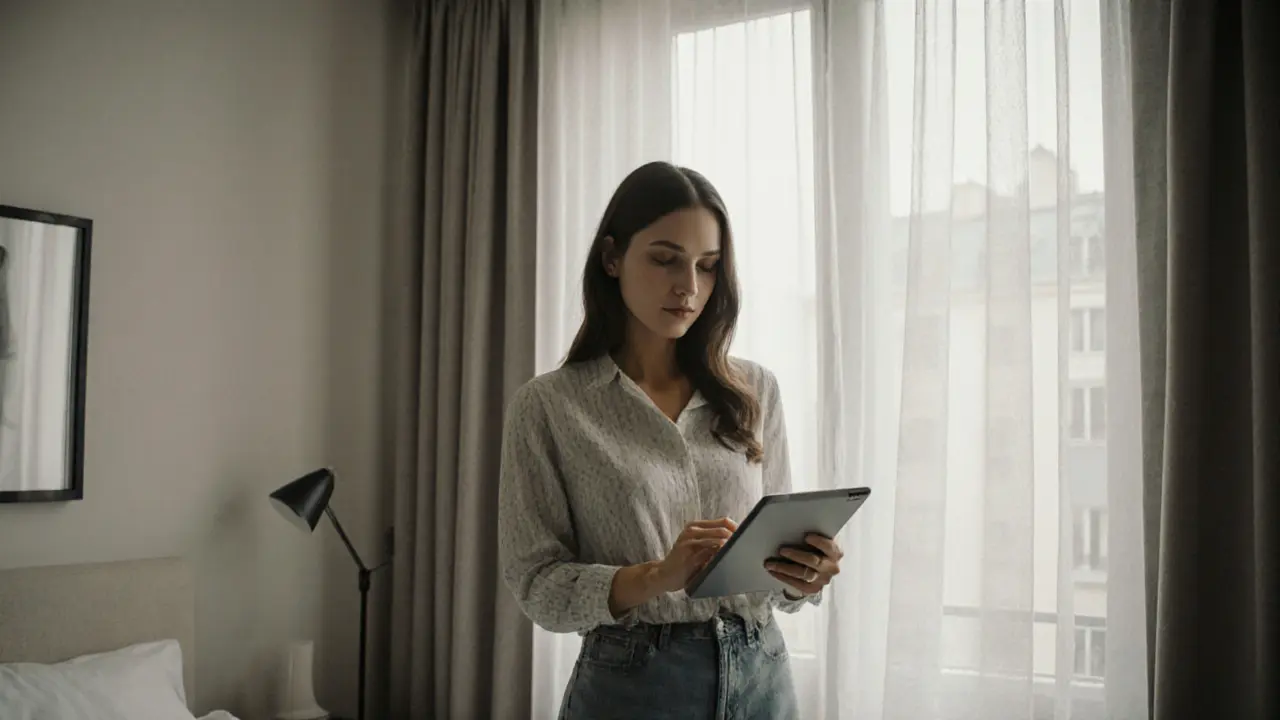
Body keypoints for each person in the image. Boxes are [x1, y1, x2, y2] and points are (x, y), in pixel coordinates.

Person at [498, 161, 844, 719]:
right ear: (612, 258)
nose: (689, 287)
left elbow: (777, 572)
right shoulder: (550, 408)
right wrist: (658, 576)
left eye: (707, 268)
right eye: (665, 260)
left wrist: (805, 576)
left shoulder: (755, 390)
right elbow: (538, 585)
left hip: (763, 675)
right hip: (633, 686)